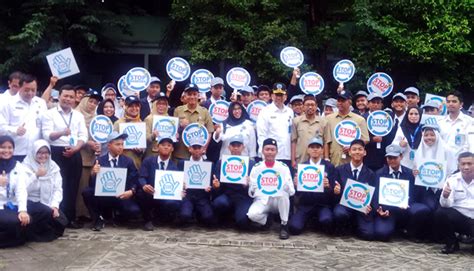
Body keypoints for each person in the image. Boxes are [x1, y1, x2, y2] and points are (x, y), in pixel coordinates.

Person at [42, 84, 88, 228]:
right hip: (56, 152)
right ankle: (56, 217)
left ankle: (70, 218)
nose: (68, 99)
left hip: (74, 152)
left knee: (72, 186)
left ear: (75, 99)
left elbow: (83, 136)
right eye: (65, 96)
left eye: (71, 97)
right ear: (59, 96)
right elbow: (47, 135)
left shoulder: (78, 115)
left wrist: (76, 148)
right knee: (56, 185)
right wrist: (62, 132)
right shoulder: (50, 114)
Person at [82, 132, 141, 231]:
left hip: (121, 195)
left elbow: (135, 179)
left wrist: (132, 191)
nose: (121, 147)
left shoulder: (128, 161)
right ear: (109, 145)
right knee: (87, 192)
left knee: (134, 211)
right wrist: (93, 173)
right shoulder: (100, 160)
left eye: (122, 144)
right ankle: (97, 220)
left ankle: (118, 218)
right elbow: (92, 185)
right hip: (104, 196)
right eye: (117, 144)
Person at [411, 123, 455, 240]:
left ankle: (439, 236)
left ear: (437, 135)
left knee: (437, 209)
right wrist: (415, 173)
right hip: (424, 188)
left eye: (432, 135)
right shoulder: (420, 150)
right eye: (426, 135)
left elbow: (452, 171)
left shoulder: (446, 150)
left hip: (442, 188)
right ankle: (424, 234)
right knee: (427, 208)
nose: (428, 138)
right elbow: (415, 169)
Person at [247, 138, 295, 239]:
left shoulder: (283, 167)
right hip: (263, 199)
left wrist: (286, 186)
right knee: (252, 214)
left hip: (278, 200)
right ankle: (268, 221)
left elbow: (291, 191)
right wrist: (252, 186)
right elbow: (251, 192)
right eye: (267, 149)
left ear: (277, 152)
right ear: (262, 151)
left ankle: (284, 225)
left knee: (284, 195)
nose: (269, 152)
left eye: (272, 150)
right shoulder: (257, 167)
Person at [289, 137, 336, 235]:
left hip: (323, 204)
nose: (315, 149)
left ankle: (315, 222)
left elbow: (333, 192)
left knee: (327, 221)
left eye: (318, 147)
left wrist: (328, 186)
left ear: (322, 150)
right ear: (308, 150)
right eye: (312, 147)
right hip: (305, 204)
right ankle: (308, 221)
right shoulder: (301, 167)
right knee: (294, 227)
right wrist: (296, 185)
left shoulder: (329, 167)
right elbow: (296, 193)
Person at [23, 139, 67, 241]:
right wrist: (36, 175)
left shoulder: (53, 166)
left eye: (46, 153)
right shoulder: (26, 166)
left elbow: (58, 189)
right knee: (46, 213)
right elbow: (23, 188)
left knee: (62, 220)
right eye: (40, 152)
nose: (43, 156)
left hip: (47, 202)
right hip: (31, 202)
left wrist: (54, 206)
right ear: (34, 152)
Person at [332, 139, 376, 240]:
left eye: (360, 149)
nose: (357, 152)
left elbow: (374, 195)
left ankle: (357, 227)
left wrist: (370, 207)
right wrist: (336, 191)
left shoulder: (371, 174)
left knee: (368, 235)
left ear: (364, 152)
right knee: (339, 213)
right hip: (344, 207)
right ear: (349, 152)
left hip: (362, 209)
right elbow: (333, 193)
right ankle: (347, 227)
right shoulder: (339, 170)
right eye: (354, 149)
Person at [372, 144, 416, 241]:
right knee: (382, 234)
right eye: (389, 158)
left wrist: (407, 203)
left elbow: (413, 193)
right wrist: (380, 210)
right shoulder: (379, 174)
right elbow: (375, 196)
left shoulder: (409, 173)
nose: (392, 160)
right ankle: (394, 228)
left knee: (418, 210)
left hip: (405, 209)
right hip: (387, 210)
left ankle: (406, 229)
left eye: (395, 158)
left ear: (401, 157)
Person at [137, 137, 181, 231]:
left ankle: (160, 217)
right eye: (163, 145)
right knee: (141, 193)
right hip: (150, 192)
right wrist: (144, 185)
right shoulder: (148, 161)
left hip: (164, 194)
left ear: (172, 149)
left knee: (174, 203)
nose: (166, 147)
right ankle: (147, 220)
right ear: (157, 147)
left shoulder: (174, 167)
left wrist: (180, 189)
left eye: (169, 146)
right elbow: (141, 177)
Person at [0, 74, 48, 162]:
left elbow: (44, 126)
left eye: (33, 90)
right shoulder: (8, 103)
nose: (30, 93)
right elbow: (1, 128)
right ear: (19, 88)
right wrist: (15, 130)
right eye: (26, 90)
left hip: (35, 153)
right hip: (14, 152)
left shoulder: (41, 103)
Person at [211, 135, 255, 230]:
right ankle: (225, 217)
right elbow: (216, 185)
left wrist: (247, 185)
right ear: (229, 147)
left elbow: (255, 188)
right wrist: (216, 186)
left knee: (242, 222)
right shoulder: (221, 162)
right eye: (233, 145)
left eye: (238, 145)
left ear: (243, 147)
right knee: (219, 203)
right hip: (227, 195)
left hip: (243, 197)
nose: (235, 148)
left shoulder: (250, 164)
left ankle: (236, 216)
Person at [434, 152, 474, 254]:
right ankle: (451, 243)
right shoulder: (452, 180)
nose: (466, 167)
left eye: (469, 164)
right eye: (463, 164)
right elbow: (446, 205)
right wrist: (445, 196)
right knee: (441, 212)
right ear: (458, 165)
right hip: (461, 218)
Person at [76, 90, 103, 220]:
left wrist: (98, 146)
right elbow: (72, 136)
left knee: (87, 186)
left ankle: (86, 213)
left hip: (91, 159)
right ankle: (76, 214)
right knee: (78, 187)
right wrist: (87, 143)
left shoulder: (96, 119)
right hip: (78, 157)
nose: (92, 105)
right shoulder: (75, 115)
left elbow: (99, 137)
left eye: (95, 103)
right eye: (90, 101)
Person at [324, 91, 369, 167]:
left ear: (350, 102)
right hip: (333, 161)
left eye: (343, 101)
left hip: (351, 162)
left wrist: (352, 146)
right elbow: (326, 140)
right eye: (338, 101)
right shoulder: (328, 118)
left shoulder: (359, 120)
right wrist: (326, 158)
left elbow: (366, 139)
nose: (340, 103)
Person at [0, 135, 30, 248]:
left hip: (10, 205)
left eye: (10, 147)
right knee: (13, 223)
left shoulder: (17, 166)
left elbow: (21, 189)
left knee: (25, 221)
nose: (6, 151)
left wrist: (23, 210)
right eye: (3, 147)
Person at [256, 83, 294, 169]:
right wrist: (263, 155)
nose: (279, 97)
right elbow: (261, 134)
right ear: (272, 95)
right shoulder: (265, 111)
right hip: (271, 156)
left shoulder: (290, 112)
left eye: (281, 95)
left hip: (287, 155)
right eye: (277, 95)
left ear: (285, 96)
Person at [178, 141, 216, 226]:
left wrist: (211, 187)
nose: (197, 150)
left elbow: (213, 184)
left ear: (203, 149)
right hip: (187, 196)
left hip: (202, 197)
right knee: (184, 216)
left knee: (208, 218)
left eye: (199, 148)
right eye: (194, 148)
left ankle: (198, 214)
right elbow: (177, 180)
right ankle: (190, 213)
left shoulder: (210, 164)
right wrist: (181, 185)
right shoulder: (182, 163)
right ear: (189, 149)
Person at [173, 83, 214, 160]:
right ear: (185, 95)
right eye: (189, 94)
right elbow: (173, 131)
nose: (192, 97)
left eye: (194, 94)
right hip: (180, 154)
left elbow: (209, 132)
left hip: (197, 156)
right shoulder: (178, 110)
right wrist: (180, 126)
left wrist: (203, 149)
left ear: (198, 95)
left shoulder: (204, 111)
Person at [291, 95, 327, 167]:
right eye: (307, 105)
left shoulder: (323, 122)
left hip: (318, 160)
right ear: (303, 107)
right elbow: (293, 141)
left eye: (312, 105)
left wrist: (326, 158)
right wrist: (293, 160)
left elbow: (326, 141)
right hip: (301, 158)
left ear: (316, 106)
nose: (310, 107)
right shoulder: (296, 121)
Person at [438, 91, 472, 165]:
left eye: (454, 101)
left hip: (462, 166)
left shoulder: (470, 122)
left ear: (461, 104)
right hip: (442, 164)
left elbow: (471, 145)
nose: (450, 104)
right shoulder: (440, 122)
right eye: (448, 101)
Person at [113, 95, 145, 169]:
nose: (134, 108)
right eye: (131, 106)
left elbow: (144, 147)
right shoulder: (118, 123)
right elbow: (113, 145)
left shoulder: (141, 123)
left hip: (137, 165)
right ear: (125, 107)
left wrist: (141, 150)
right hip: (121, 165)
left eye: (137, 106)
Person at [144, 92, 176, 158]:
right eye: (159, 103)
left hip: (167, 155)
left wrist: (175, 136)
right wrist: (152, 136)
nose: (161, 106)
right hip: (152, 154)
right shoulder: (149, 119)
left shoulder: (171, 120)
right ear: (154, 104)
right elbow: (144, 138)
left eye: (164, 104)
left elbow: (172, 140)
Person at [363, 92, 389, 172]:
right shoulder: (362, 119)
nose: (376, 105)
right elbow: (360, 138)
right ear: (368, 104)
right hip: (367, 157)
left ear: (382, 105)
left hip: (383, 159)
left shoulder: (387, 118)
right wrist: (372, 140)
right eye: (373, 102)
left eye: (378, 102)